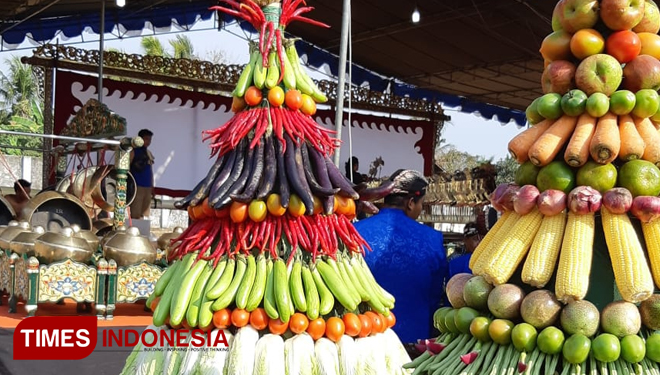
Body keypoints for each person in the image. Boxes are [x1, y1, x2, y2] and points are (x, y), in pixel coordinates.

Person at [354, 169, 449, 344]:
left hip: (362, 335)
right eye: (422, 204)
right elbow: (435, 295)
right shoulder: (432, 239)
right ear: (411, 203)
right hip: (413, 339)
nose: (420, 209)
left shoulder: (355, 231)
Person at [130, 129, 155, 220]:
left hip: (147, 186)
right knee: (136, 212)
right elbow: (128, 167)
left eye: (150, 139)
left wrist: (152, 185)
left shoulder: (148, 153)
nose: (148, 142)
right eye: (146, 139)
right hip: (137, 185)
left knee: (144, 213)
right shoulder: (133, 151)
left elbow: (150, 170)